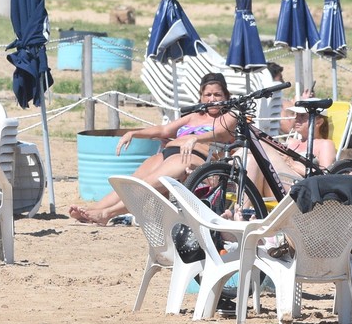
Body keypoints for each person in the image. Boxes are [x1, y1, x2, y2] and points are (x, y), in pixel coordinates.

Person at [68, 72, 236, 225]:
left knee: (150, 184)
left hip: (194, 156)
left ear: (226, 97)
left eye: (217, 94)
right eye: (207, 95)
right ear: (201, 97)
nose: (212, 99)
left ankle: (107, 213)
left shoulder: (228, 117)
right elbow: (163, 130)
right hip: (169, 152)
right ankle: (92, 210)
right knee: (133, 182)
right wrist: (134, 133)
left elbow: (221, 134)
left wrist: (195, 138)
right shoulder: (193, 116)